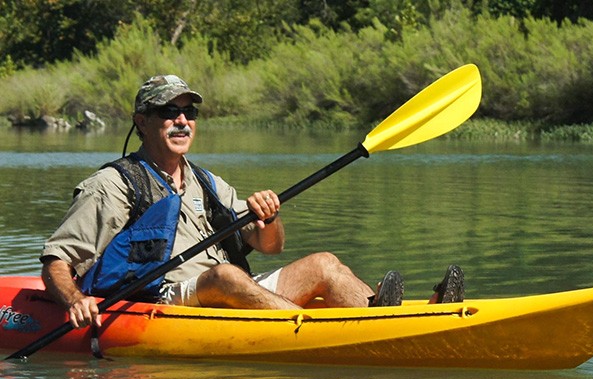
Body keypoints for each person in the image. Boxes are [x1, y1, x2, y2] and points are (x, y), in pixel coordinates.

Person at [40, 74, 465, 329]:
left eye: (189, 113)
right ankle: (314, 334)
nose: (182, 120)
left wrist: (268, 217)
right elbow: (58, 259)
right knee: (224, 274)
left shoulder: (207, 183)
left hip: (228, 289)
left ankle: (386, 322)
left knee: (324, 263)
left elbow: (270, 246)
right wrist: (74, 300)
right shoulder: (112, 185)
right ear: (142, 121)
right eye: (169, 111)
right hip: (161, 298)